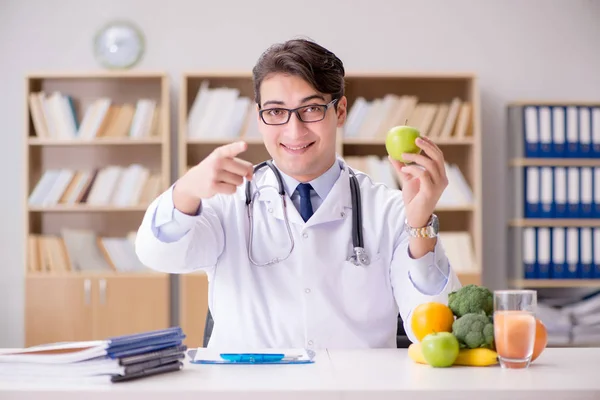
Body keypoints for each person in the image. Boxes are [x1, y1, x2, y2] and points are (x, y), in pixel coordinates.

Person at [135, 38, 462, 350]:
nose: (294, 130)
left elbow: (436, 330)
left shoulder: (390, 210)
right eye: (276, 112)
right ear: (259, 116)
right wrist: (187, 190)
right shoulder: (227, 201)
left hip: (354, 388)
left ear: (341, 111)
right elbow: (158, 254)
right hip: (249, 387)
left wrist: (419, 225)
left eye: (311, 109)